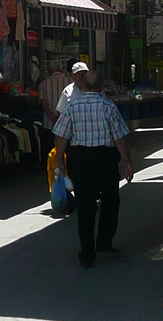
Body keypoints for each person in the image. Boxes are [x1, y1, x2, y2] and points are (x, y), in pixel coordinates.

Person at [52, 71, 134, 267]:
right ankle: (104, 241)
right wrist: (127, 162)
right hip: (105, 159)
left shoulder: (71, 107)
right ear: (102, 86)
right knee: (110, 200)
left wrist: (59, 161)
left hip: (80, 159)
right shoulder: (109, 107)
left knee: (85, 206)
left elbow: (61, 136)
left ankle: (87, 253)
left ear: (84, 86)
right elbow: (119, 138)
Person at [40, 59, 88, 128]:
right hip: (71, 125)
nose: (81, 76)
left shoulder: (44, 84)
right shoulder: (70, 82)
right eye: (79, 74)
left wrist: (52, 117)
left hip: (50, 123)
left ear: (49, 70)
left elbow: (43, 102)